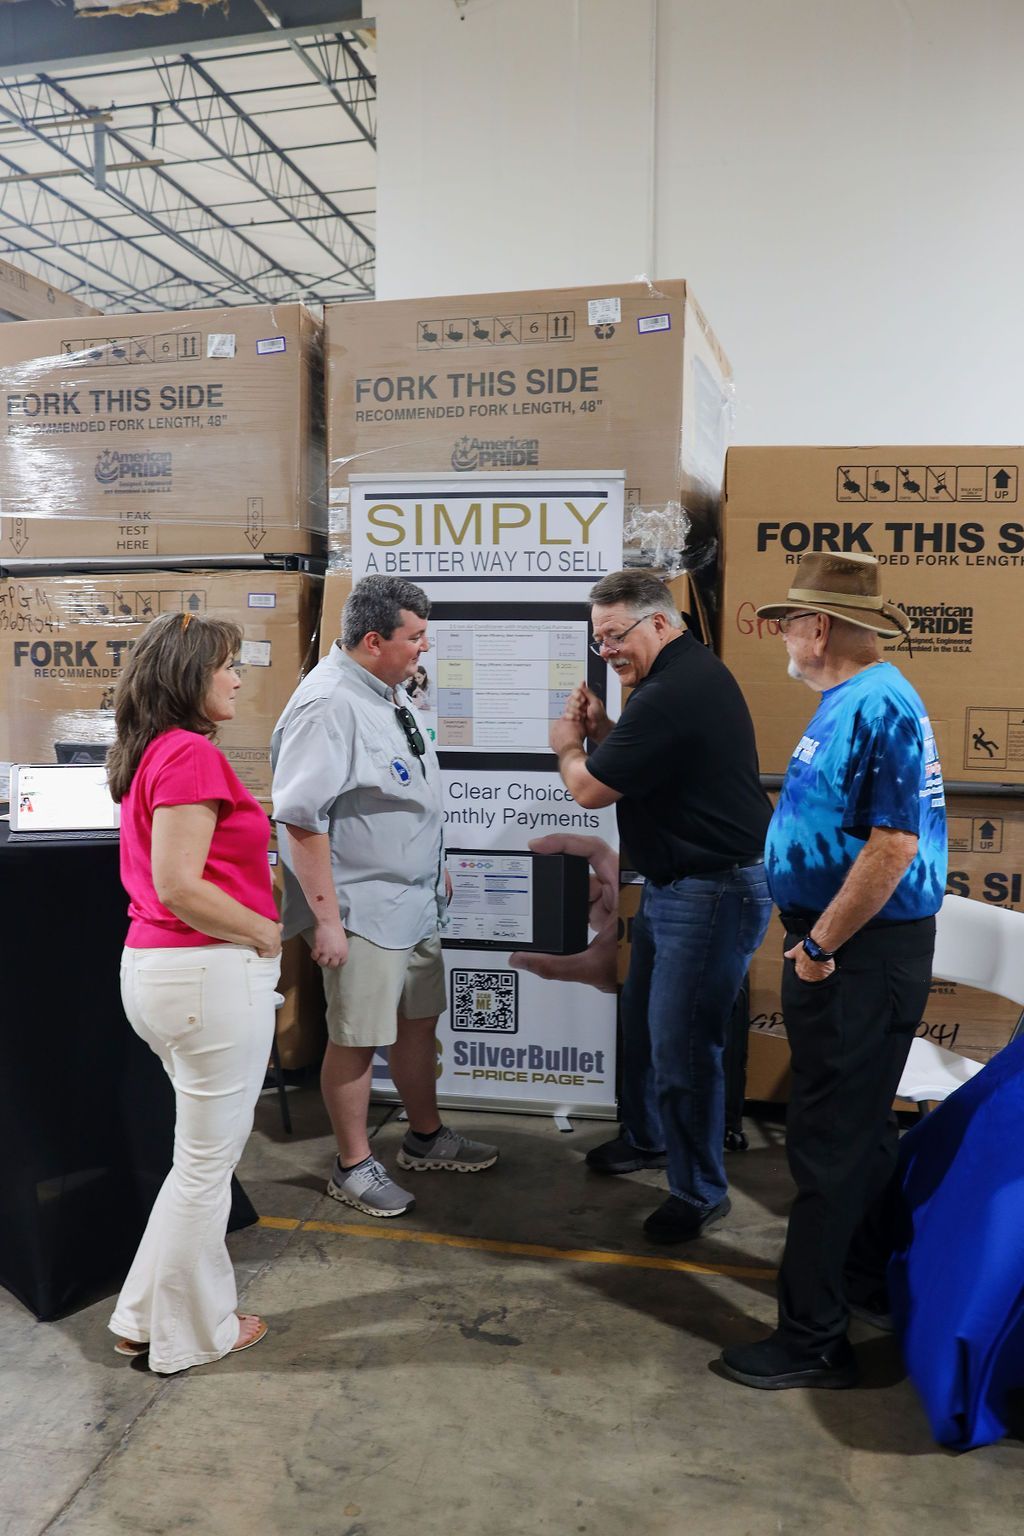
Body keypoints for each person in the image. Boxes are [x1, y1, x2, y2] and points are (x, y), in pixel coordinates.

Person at [718, 551, 947, 1391]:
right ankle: (861, 1284)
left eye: (787, 620)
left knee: (826, 1146)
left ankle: (814, 1340)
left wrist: (819, 948)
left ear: (818, 628)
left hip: (852, 957)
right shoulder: (850, 701)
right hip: (845, 951)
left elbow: (893, 847)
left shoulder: (877, 704)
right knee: (854, 1137)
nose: (781, 633)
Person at [549, 569, 773, 1243]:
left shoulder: (674, 691)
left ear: (658, 621)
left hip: (711, 891)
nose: (607, 650)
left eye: (615, 635)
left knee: (683, 1048)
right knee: (645, 1029)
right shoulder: (674, 681)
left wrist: (567, 745)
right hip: (681, 886)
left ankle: (700, 1191)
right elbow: (646, 759)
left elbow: (589, 791)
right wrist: (608, 729)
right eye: (598, 638)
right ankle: (647, 1137)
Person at [270, 574, 497, 1219]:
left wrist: (435, 862)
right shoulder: (329, 704)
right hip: (361, 909)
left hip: (414, 900)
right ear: (374, 640)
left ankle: (424, 1136)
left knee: (415, 1023)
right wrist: (327, 922)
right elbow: (301, 817)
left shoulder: (387, 691)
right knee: (356, 1036)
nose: (424, 650)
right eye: (415, 638)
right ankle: (352, 1164)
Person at [106, 611, 283, 1373]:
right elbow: (180, 886)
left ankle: (142, 1318)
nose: (238, 678)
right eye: (228, 665)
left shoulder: (153, 753)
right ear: (189, 676)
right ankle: (192, 1336)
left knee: (196, 1164)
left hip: (164, 975)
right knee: (206, 1168)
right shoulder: (189, 758)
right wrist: (264, 930)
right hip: (204, 974)